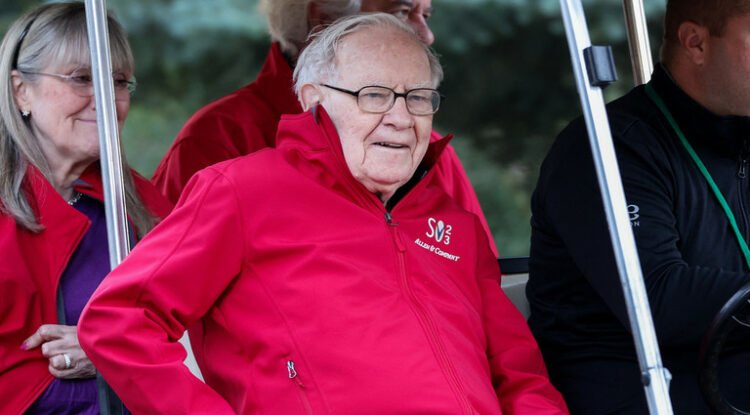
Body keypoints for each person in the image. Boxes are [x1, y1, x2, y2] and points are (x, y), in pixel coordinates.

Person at [79, 14, 568, 414]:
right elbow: (119, 320)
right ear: (314, 100)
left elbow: (519, 373)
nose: (401, 117)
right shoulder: (243, 191)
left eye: (418, 98)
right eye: (374, 95)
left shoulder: (454, 224)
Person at [527, 0, 750, 413]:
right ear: (696, 43)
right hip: (634, 384)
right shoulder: (608, 147)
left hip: (727, 369)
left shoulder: (739, 133)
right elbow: (656, 299)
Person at [151, 0, 498, 257]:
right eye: (402, 12)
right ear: (323, 20)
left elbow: (482, 283)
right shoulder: (218, 140)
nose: (425, 34)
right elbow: (162, 301)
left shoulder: (428, 151)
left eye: (426, 15)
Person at [0, 2, 172, 414]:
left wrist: (109, 349)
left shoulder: (144, 206)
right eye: (81, 78)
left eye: (118, 82)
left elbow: (199, 330)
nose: (105, 99)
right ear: (21, 91)